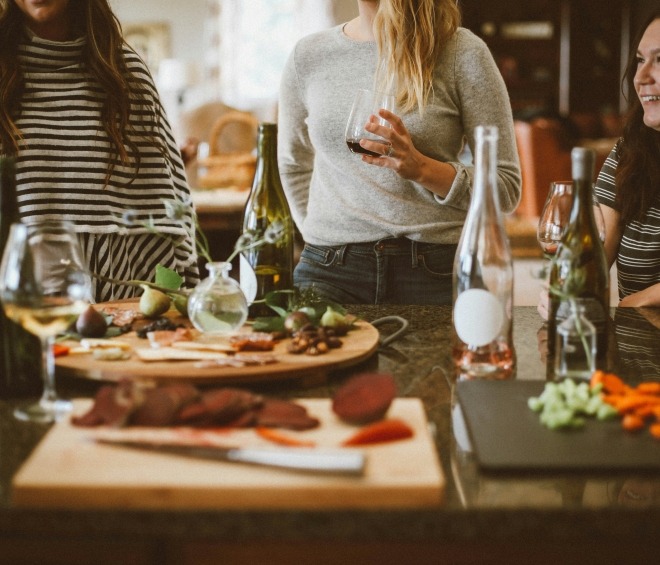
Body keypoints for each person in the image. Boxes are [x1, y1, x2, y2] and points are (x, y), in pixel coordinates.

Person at [277, 0, 521, 305]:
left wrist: (421, 169)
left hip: (435, 270)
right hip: (329, 271)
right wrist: (320, 234)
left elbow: (506, 187)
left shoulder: (462, 51)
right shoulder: (308, 56)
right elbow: (292, 164)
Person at [0, 0, 199, 302]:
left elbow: (170, 203)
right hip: (18, 293)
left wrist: (187, 294)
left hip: (122, 293)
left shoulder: (126, 73)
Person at [594, 10, 660, 308]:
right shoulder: (630, 152)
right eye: (639, 60)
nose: (641, 77)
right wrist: (569, 286)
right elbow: (594, 259)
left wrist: (642, 299)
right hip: (637, 353)